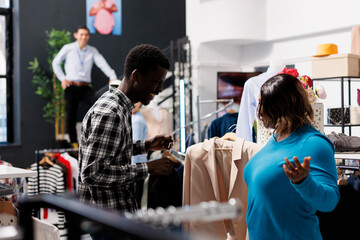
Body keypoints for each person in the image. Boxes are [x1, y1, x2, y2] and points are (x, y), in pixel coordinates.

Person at [78, 44, 173, 239]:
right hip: (106, 220)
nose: (160, 89)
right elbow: (93, 173)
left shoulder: (119, 106)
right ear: (136, 76)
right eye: (156, 82)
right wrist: (148, 167)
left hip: (113, 215)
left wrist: (146, 145)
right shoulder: (110, 112)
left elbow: (109, 152)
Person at [244, 73, 340, 240]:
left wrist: (303, 182)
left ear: (282, 106)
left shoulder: (314, 143)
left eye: (263, 104)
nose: (258, 110)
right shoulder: (275, 139)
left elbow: (330, 201)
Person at [52, 26, 118, 148]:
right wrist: (62, 78)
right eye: (81, 34)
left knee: (99, 108)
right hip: (71, 86)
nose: (84, 37)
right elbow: (55, 62)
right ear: (76, 35)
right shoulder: (68, 48)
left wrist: (112, 77)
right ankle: (74, 143)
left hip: (85, 87)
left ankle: (98, 136)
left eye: (86, 35)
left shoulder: (92, 50)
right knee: (71, 116)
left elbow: (102, 64)